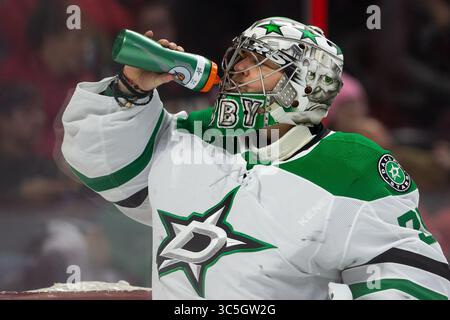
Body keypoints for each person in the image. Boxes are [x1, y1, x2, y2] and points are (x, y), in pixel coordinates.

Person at [61, 17, 450, 299]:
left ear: (305, 85)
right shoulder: (193, 133)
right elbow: (99, 161)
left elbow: (409, 282)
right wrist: (130, 90)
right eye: (240, 57)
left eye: (260, 62)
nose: (238, 69)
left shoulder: (352, 166)